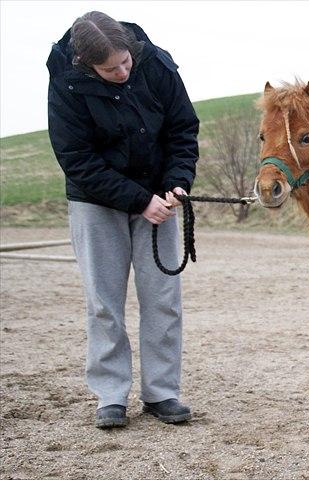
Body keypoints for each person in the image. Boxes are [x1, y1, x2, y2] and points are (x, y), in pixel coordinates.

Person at [47, 11, 199, 428]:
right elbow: (77, 160)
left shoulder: (156, 64)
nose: (122, 72)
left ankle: (162, 392)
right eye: (110, 69)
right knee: (103, 302)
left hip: (160, 197)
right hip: (96, 203)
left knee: (163, 298)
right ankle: (111, 395)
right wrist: (138, 200)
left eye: (125, 63)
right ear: (85, 62)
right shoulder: (65, 83)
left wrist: (177, 182)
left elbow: (183, 128)